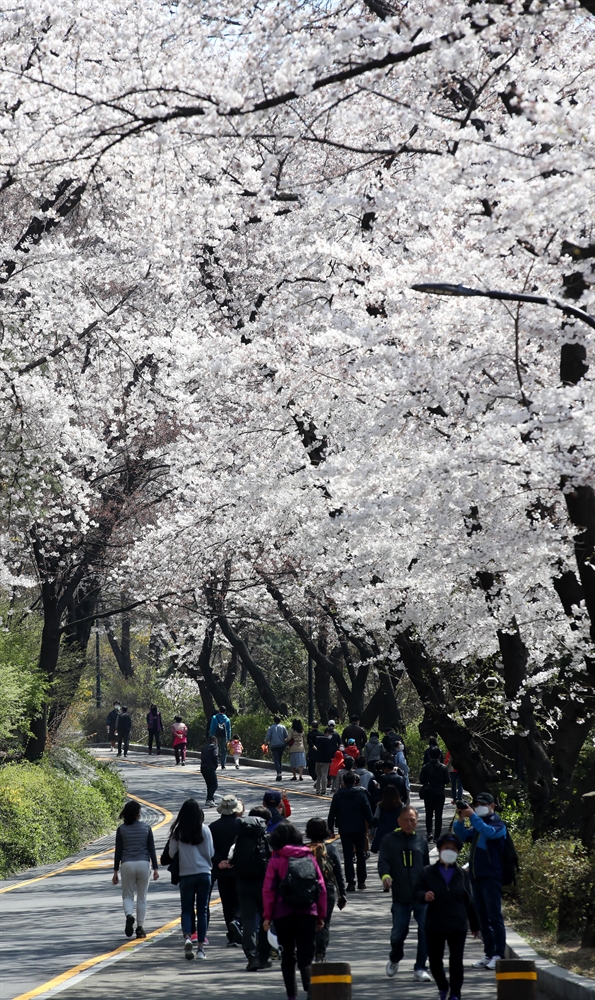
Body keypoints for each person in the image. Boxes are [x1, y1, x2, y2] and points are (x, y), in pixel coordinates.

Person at [262, 821, 327, 1000]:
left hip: (284, 914)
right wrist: (320, 915)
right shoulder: (309, 857)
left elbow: (269, 890)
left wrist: (267, 917)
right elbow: (320, 887)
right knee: (306, 957)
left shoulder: (276, 860)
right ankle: (310, 987)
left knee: (288, 958)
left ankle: (292, 995)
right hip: (308, 913)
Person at [416, 833, 480, 1000]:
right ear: (439, 850)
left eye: (453, 849)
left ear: (458, 852)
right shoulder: (427, 872)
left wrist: (475, 924)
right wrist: (424, 896)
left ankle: (456, 993)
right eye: (446, 848)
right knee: (435, 962)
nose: (449, 851)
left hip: (457, 925)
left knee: (456, 961)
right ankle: (443, 986)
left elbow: (469, 899)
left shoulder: (462, 874)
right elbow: (416, 892)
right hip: (434, 924)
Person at [453, 792, 507, 971]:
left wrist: (473, 816)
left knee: (494, 917)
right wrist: (461, 819)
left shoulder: (498, 824)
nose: (479, 807)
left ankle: (499, 953)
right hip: (476, 877)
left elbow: (489, 833)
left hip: (492, 877)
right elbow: (461, 836)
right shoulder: (478, 825)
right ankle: (489, 952)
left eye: (483, 804)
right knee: (482, 917)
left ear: (492, 806)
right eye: (476, 805)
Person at [378, 806, 431, 983]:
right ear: (399, 821)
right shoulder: (389, 840)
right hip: (400, 897)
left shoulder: (421, 841)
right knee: (398, 933)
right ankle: (395, 957)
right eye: (406, 820)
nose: (409, 823)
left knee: (425, 931)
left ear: (417, 822)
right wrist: (385, 877)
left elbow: (427, 868)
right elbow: (383, 862)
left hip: (421, 896)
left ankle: (420, 968)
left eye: (413, 820)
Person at [226, 806, 272, 971]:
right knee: (266, 919)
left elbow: (230, 859)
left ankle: (251, 956)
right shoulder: (266, 839)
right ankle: (264, 955)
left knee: (248, 920)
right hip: (264, 884)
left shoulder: (239, 840)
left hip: (244, 885)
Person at [169, 798, 214, 961]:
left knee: (186, 909)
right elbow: (211, 853)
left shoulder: (178, 832)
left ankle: (188, 937)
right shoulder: (205, 830)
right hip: (204, 873)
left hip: (186, 874)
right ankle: (201, 948)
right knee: (202, 910)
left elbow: (172, 853)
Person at [112, 800, 159, 939]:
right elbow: (152, 849)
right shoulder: (146, 828)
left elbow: (118, 851)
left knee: (127, 895)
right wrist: (155, 868)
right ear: (138, 814)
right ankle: (139, 928)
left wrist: (115, 871)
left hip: (127, 864)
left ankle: (129, 915)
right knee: (142, 897)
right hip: (144, 863)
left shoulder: (121, 830)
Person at [305, 817, 347, 962]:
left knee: (308, 921)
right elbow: (338, 873)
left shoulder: (304, 849)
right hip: (326, 890)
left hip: (307, 890)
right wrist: (342, 893)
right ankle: (320, 953)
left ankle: (308, 950)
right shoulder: (330, 849)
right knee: (324, 922)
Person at [327, 770, 373, 891]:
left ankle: (351, 882)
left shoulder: (338, 795)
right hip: (359, 828)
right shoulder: (361, 794)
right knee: (361, 854)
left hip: (345, 828)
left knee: (347, 855)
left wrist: (330, 828)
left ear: (343, 782)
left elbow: (332, 813)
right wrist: (372, 825)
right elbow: (367, 811)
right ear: (354, 782)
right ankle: (362, 881)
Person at [209, 794, 244, 947]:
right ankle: (238, 924)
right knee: (241, 901)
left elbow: (210, 850)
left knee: (226, 903)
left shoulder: (213, 827)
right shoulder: (242, 825)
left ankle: (231, 936)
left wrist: (219, 861)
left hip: (221, 870)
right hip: (239, 869)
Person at [419, 746, 450, 842]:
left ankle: (429, 832)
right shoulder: (443, 768)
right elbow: (447, 780)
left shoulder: (425, 767)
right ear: (439, 756)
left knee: (428, 814)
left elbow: (421, 780)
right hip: (439, 793)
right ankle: (437, 836)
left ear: (429, 756)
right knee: (438, 815)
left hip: (428, 793)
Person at [371, 784, 403, 853]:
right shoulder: (401, 805)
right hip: (396, 833)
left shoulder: (380, 805)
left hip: (383, 833)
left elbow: (375, 819)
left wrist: (372, 833)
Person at [265, 715, 289, 781]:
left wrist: (266, 743)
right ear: (280, 720)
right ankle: (279, 771)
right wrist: (286, 744)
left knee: (276, 759)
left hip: (274, 746)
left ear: (274, 720)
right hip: (282, 745)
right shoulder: (283, 727)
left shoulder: (271, 728)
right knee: (280, 759)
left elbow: (267, 737)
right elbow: (286, 736)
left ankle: (278, 773)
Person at [314, 727, 333, 795]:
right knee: (324, 775)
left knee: (318, 775)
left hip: (318, 759)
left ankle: (317, 790)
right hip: (325, 760)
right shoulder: (327, 741)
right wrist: (330, 760)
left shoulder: (318, 739)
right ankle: (323, 790)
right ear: (327, 733)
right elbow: (328, 752)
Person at [201, 735, 219, 807]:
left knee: (209, 785)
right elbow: (215, 755)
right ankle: (209, 800)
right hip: (210, 767)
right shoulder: (214, 747)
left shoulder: (205, 747)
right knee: (214, 785)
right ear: (215, 741)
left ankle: (210, 799)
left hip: (203, 767)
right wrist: (216, 764)